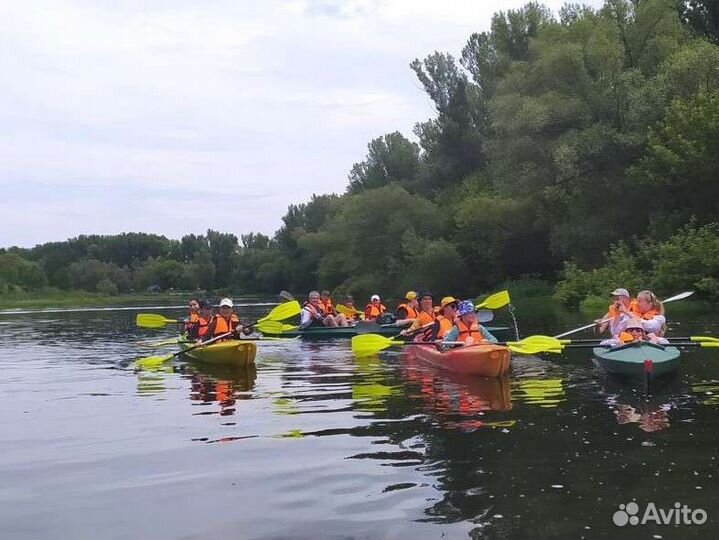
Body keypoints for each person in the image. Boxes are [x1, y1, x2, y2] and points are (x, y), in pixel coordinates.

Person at [599, 318, 668, 347]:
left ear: (642, 332)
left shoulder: (648, 338)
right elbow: (602, 344)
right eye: (631, 330)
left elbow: (666, 342)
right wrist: (617, 341)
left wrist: (656, 339)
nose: (634, 332)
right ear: (626, 332)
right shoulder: (619, 338)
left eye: (638, 330)